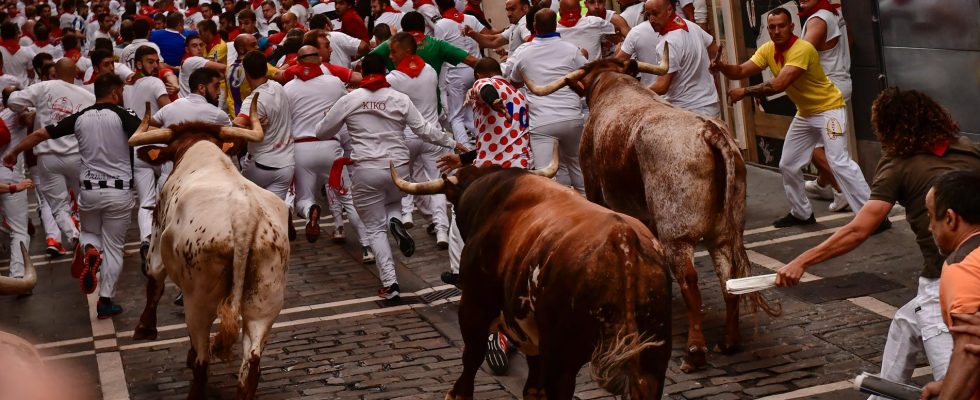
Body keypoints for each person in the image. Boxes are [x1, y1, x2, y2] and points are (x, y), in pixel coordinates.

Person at [774, 88, 980, 396]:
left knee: (957, 381)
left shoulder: (897, 164)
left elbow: (860, 229)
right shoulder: (968, 148)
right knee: (904, 322)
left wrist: (802, 261)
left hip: (945, 279)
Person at [314, 53, 465, 301]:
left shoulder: (349, 99)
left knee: (374, 227)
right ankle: (395, 219)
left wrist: (334, 117)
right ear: (385, 71)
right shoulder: (399, 98)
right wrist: (452, 143)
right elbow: (424, 130)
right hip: (399, 167)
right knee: (393, 201)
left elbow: (322, 132)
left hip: (366, 168)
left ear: (362, 71)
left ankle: (391, 284)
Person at [711, 7, 870, 228]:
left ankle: (873, 215)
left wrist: (744, 92)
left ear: (792, 27)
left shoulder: (802, 49)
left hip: (829, 110)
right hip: (806, 113)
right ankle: (801, 213)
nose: (777, 31)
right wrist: (721, 67)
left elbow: (779, 84)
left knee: (839, 161)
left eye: (782, 26)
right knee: (788, 164)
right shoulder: (768, 49)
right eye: (772, 27)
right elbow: (739, 71)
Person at [3, 73, 141, 319]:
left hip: (89, 192)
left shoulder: (80, 117)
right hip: (119, 192)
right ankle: (106, 301)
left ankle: (89, 248)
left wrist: (14, 152)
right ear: (115, 92)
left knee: (89, 231)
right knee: (113, 247)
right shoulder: (125, 115)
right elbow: (147, 134)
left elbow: (39, 135)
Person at [436, 56, 531, 376]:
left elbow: (486, 91)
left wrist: (490, 98)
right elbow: (496, 140)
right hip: (523, 172)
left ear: (478, 74)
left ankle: (465, 280)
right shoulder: (520, 94)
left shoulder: (483, 84)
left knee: (458, 226)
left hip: (492, 178)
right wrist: (463, 158)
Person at [283, 45, 370, 257]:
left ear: (298, 61)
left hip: (302, 148)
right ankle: (368, 247)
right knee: (348, 199)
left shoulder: (288, 89)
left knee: (303, 198)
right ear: (318, 60)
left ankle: (311, 210)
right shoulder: (333, 83)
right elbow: (346, 106)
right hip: (331, 147)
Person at [5, 58, 95, 261]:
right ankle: (91, 241)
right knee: (86, 200)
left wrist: (26, 104)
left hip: (48, 157)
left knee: (58, 206)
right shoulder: (88, 95)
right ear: (75, 74)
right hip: (78, 155)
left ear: (55, 72)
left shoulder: (44, 87)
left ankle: (74, 238)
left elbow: (13, 102)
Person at [509, 7, 586, 194]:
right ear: (556, 25)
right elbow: (587, 74)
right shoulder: (571, 50)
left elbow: (514, 82)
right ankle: (589, 207)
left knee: (546, 178)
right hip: (572, 119)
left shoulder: (523, 53)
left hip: (542, 123)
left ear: (534, 27)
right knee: (578, 170)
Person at [917, 171, 980, 400]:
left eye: (932, 216)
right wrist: (946, 382)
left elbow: (970, 351)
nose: (930, 227)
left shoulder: (962, 267)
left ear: (950, 219)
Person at [385, 32, 450, 248]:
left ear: (407, 50)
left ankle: (409, 215)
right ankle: (441, 229)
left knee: (409, 183)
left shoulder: (393, 79)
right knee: (437, 183)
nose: (391, 56)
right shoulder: (430, 71)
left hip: (407, 137)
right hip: (432, 136)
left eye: (394, 52)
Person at [232, 50, 295, 235]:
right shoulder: (278, 87)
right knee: (274, 217)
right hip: (286, 166)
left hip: (260, 166)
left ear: (246, 73)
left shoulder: (253, 101)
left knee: (244, 208)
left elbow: (237, 125)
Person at [799, 0, 853, 212]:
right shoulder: (836, 14)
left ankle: (842, 191)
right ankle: (822, 185)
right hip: (839, 82)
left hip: (825, 90)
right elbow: (850, 40)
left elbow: (800, 57)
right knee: (828, 143)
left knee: (811, 146)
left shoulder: (819, 19)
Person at [123, 45, 171, 271]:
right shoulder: (155, 83)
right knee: (169, 195)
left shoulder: (126, 86)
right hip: (159, 147)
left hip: (138, 149)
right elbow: (169, 113)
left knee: (146, 201)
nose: (155, 65)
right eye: (150, 62)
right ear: (139, 63)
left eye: (156, 61)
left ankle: (146, 239)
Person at [644, 0, 719, 117]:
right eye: (648, 15)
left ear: (669, 10)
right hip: (710, 105)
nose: (651, 19)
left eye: (655, 13)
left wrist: (636, 92)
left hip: (689, 112)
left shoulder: (667, 43)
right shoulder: (691, 26)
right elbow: (715, 49)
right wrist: (716, 64)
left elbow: (662, 86)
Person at [615, 0, 661, 87]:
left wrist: (617, 52)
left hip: (652, 93)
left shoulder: (636, 32)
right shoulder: (691, 28)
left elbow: (616, 65)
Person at [0, 22, 36, 88]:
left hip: (3, 88)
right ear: (16, 35)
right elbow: (31, 74)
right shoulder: (27, 51)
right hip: (23, 89)